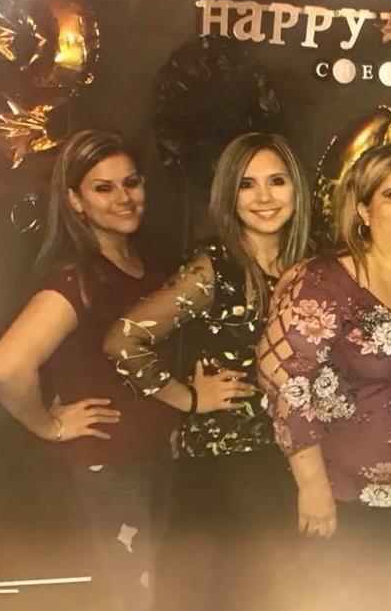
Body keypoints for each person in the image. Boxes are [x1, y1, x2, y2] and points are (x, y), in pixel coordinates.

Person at [256, 142, 391, 611]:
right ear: (363, 211)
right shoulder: (325, 281)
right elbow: (285, 383)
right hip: (348, 503)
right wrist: (312, 487)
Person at [102, 132, 311, 611]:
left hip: (299, 460)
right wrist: (189, 398)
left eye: (277, 181)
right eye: (247, 184)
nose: (263, 197)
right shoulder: (214, 268)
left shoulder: (314, 264)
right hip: (224, 466)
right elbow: (123, 341)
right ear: (228, 195)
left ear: (296, 187)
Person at [0, 130, 180, 611]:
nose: (123, 198)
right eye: (103, 188)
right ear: (75, 200)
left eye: (131, 183)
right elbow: (6, 365)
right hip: (110, 473)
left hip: (150, 464)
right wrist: (48, 425)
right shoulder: (77, 279)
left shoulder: (144, 267)